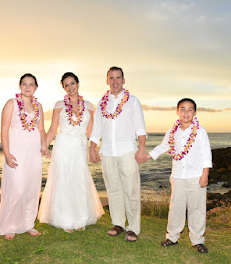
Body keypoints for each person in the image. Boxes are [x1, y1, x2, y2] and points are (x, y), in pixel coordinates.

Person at [38, 72, 104, 233]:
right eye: (66, 85)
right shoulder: (59, 104)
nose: (70, 87)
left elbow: (92, 131)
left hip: (80, 145)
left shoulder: (88, 106)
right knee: (63, 179)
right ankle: (65, 219)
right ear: (63, 87)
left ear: (78, 84)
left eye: (72, 83)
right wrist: (44, 146)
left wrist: (93, 149)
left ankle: (81, 217)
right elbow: (53, 128)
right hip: (63, 145)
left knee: (79, 179)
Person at [147, 98, 212, 253]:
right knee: (176, 207)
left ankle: (197, 240)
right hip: (178, 175)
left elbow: (206, 154)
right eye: (183, 109)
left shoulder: (200, 131)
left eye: (190, 109)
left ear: (195, 113)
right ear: (177, 111)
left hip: (195, 175)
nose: (186, 112)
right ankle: (172, 236)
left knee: (196, 208)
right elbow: (164, 146)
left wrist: (205, 174)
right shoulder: (172, 131)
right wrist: (147, 156)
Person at [89, 66, 147, 242]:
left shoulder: (133, 101)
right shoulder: (101, 103)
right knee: (113, 189)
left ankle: (133, 228)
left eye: (118, 78)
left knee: (131, 189)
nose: (115, 81)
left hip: (127, 150)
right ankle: (118, 223)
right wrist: (92, 148)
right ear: (107, 80)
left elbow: (140, 127)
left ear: (123, 80)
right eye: (111, 78)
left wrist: (142, 148)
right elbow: (97, 128)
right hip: (107, 151)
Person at [0, 73, 48, 240]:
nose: (27, 87)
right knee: (16, 187)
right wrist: (6, 153)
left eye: (31, 84)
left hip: (33, 153)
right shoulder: (11, 104)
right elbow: (4, 130)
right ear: (20, 86)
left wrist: (44, 145)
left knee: (31, 189)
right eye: (24, 84)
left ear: (36, 87)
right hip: (16, 151)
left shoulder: (38, 106)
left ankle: (28, 224)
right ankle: (9, 225)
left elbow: (41, 129)